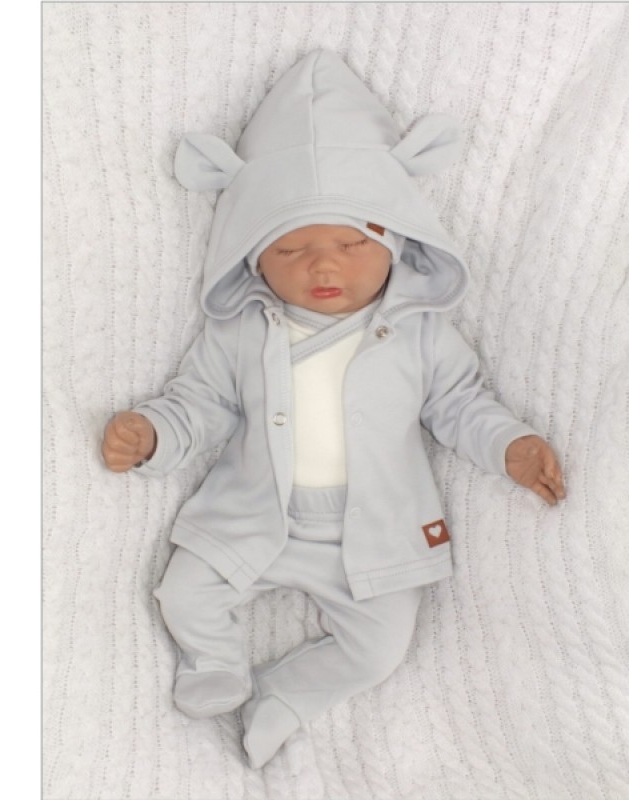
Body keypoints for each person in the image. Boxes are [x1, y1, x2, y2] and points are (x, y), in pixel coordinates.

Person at [101, 50, 565, 769]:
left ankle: (286, 695)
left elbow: (461, 403)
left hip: (370, 529)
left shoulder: (417, 330)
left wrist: (513, 446)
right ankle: (214, 662)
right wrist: (152, 432)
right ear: (251, 258)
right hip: (255, 512)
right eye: (291, 248)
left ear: (395, 242)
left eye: (352, 243)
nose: (323, 265)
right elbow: (202, 403)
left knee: (380, 646)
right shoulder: (243, 329)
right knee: (183, 592)